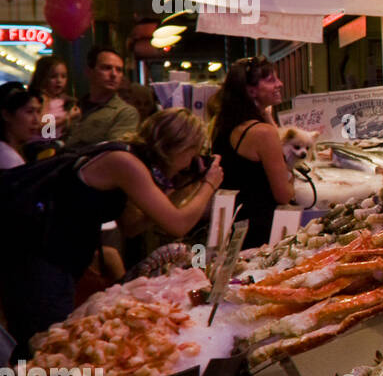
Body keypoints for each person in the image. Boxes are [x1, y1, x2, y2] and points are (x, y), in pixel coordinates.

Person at [0, 108, 223, 348]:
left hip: (54, 262)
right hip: (41, 264)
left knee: (46, 343)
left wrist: (178, 186)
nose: (193, 162)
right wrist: (209, 184)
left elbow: (131, 226)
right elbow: (178, 225)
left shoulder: (128, 158)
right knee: (45, 346)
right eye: (193, 153)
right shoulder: (124, 162)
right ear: (180, 146)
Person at [211, 55, 293, 249]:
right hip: (261, 234)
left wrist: (265, 114)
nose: (279, 84)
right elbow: (284, 195)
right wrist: (292, 179)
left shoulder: (223, 124)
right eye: (271, 80)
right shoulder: (262, 133)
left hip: (233, 229)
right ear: (251, 90)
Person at [65, 46, 140, 148]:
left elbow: (113, 152)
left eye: (119, 70)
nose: (114, 74)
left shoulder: (125, 112)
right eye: (107, 68)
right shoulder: (71, 105)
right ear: (89, 72)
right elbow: (47, 137)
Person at [28, 54, 79, 139]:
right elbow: (44, 129)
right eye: (53, 77)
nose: (59, 81)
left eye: (63, 76)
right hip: (42, 146)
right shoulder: (42, 99)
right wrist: (67, 118)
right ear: (42, 78)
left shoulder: (62, 99)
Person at [0, 82, 41, 169]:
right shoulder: (9, 159)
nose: (37, 120)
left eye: (38, 112)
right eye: (29, 112)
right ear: (6, 115)